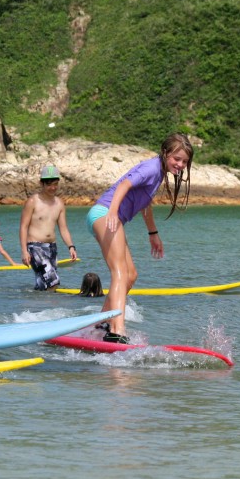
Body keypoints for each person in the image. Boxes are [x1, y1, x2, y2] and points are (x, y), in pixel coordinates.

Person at [85, 133, 192, 343]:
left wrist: (153, 233)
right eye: (177, 159)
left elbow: (145, 203)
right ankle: (117, 330)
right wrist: (113, 213)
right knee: (120, 273)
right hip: (104, 214)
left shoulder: (159, 172)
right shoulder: (152, 168)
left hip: (109, 215)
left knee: (130, 275)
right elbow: (124, 184)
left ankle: (100, 323)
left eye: (185, 161)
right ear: (165, 153)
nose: (180, 164)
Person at [19, 164, 79, 290]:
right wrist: (24, 251)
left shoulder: (59, 203)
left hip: (52, 248)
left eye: (55, 184)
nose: (53, 188)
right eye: (49, 184)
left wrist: (71, 246)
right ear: (42, 184)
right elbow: (23, 227)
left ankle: (39, 307)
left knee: (43, 284)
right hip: (35, 247)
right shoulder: (33, 202)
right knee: (53, 281)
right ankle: (54, 308)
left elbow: (63, 228)